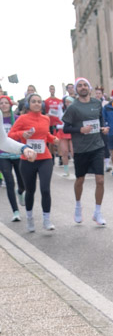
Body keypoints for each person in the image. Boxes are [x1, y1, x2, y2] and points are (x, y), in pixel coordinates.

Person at [60, 78, 108, 225]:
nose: (83, 87)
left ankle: (97, 212)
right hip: (81, 149)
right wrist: (80, 129)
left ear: (89, 88)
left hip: (97, 146)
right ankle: (78, 206)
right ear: (76, 89)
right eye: (80, 86)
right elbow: (66, 128)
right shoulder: (73, 107)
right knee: (80, 180)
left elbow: (100, 120)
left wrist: (103, 128)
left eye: (85, 85)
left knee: (100, 180)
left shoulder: (97, 103)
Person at [7, 92, 55, 232]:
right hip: (28, 159)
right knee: (30, 190)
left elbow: (46, 134)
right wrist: (22, 134)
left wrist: (53, 139)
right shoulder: (23, 119)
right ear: (28, 104)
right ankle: (29, 218)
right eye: (33, 101)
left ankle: (47, 220)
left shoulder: (46, 119)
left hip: (45, 158)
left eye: (39, 101)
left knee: (45, 189)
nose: (37, 104)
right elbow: (10, 135)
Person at [0, 95, 25, 221]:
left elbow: (23, 134)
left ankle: (20, 192)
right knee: (9, 182)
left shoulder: (17, 119)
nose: (3, 105)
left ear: (10, 105)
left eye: (6, 102)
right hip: (2, 155)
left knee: (22, 182)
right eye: (1, 103)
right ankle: (15, 211)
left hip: (16, 153)